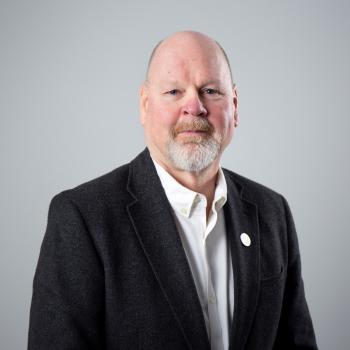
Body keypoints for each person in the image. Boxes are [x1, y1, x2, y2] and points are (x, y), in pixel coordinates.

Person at [28, 31, 318, 350]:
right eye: (174, 91)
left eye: (210, 90)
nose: (194, 106)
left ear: (234, 107)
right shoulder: (83, 219)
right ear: (144, 105)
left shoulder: (272, 212)